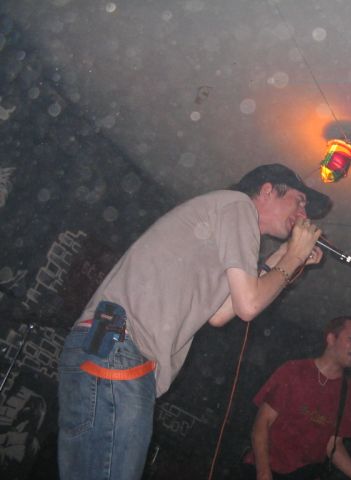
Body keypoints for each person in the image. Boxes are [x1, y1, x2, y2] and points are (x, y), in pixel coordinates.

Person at [57, 163, 332, 480]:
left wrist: (284, 255)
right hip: (121, 349)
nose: (303, 213)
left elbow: (222, 313)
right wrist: (294, 256)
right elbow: (249, 305)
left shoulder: (224, 224)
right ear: (268, 190)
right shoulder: (239, 206)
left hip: (108, 350)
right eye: (299, 200)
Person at [243, 316, 351, 480]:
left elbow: (333, 445)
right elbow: (262, 424)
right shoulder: (294, 370)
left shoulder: (349, 391)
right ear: (331, 339)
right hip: (267, 468)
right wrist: (263, 472)